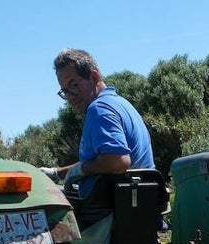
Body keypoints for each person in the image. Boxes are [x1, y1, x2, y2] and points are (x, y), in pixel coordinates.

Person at [40, 48, 154, 228]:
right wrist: (58, 173)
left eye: (74, 86)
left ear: (93, 77)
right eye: (64, 91)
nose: (70, 97)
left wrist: (82, 170)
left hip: (108, 220)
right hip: (138, 212)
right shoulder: (121, 104)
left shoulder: (98, 109)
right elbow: (101, 161)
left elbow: (117, 161)